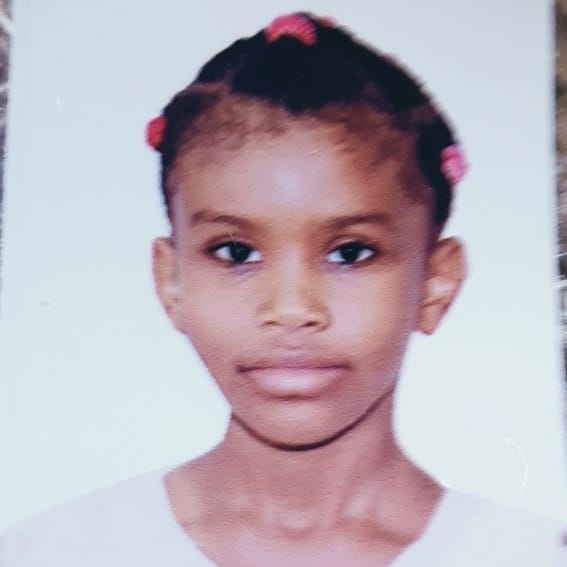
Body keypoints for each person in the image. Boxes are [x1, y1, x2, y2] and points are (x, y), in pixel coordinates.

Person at [1, 12, 565, 567]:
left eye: (350, 253)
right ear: (171, 281)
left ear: (435, 284)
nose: (291, 309)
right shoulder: (51, 553)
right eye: (235, 253)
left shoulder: (526, 555)